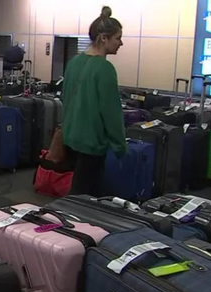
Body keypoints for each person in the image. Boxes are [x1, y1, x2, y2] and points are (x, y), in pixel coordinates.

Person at [61, 6, 126, 196]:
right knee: (85, 195)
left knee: (79, 188)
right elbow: (111, 112)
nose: (121, 43)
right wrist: (120, 146)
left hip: (71, 137)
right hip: (92, 142)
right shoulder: (104, 68)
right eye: (118, 38)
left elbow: (65, 99)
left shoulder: (73, 62)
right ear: (103, 38)